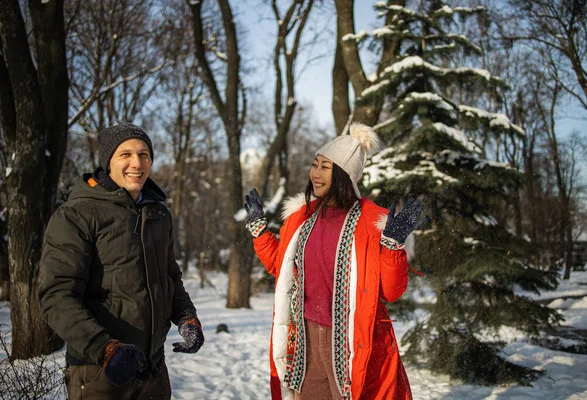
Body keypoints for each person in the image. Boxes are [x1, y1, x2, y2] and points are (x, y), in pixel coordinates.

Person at [244, 123, 428, 400]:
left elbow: (390, 291)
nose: (315, 174)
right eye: (315, 164)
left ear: (344, 175)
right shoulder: (301, 217)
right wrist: (259, 232)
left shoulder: (372, 222)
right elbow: (281, 268)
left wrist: (393, 247)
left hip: (353, 341)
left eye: (324, 167)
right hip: (305, 337)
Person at [39, 122, 204, 399]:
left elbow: (170, 277)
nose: (136, 163)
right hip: (98, 370)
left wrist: (187, 317)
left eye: (144, 155)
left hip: (152, 367)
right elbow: (56, 295)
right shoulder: (77, 215)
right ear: (108, 162)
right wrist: (106, 350)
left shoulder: (158, 215)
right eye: (125, 154)